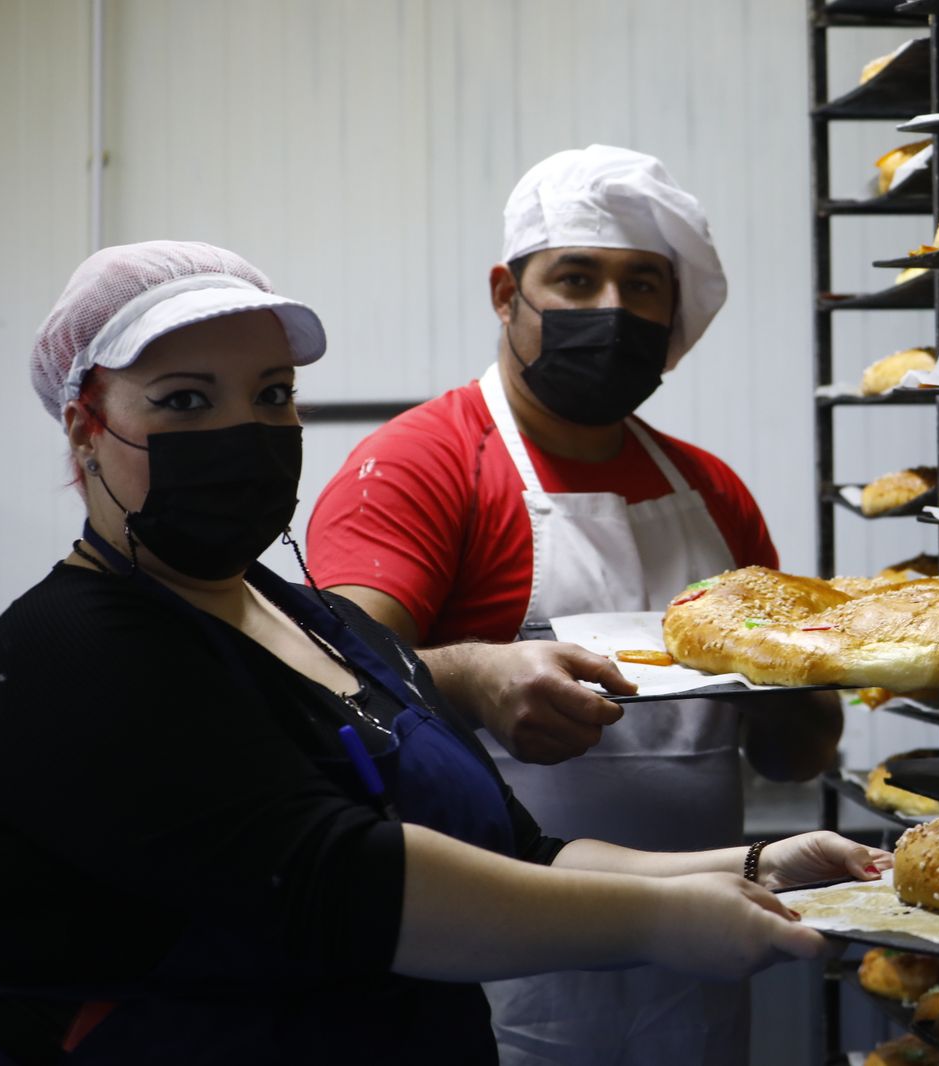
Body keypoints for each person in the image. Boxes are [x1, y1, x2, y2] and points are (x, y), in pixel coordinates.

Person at [0, 241, 888, 1066]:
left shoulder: (316, 623)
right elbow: (340, 883)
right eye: (183, 400)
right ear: (85, 425)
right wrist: (660, 918)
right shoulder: (70, 653)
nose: (242, 433)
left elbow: (523, 852)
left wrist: (752, 865)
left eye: (272, 395)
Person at [305, 146, 844, 1063]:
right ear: (504, 293)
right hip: (493, 979)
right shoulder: (418, 466)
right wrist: (474, 678)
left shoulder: (713, 491)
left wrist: (814, 667)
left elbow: (793, 758)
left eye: (643, 285)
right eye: (577, 278)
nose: (611, 309)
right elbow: (324, 695)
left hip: (703, 967)